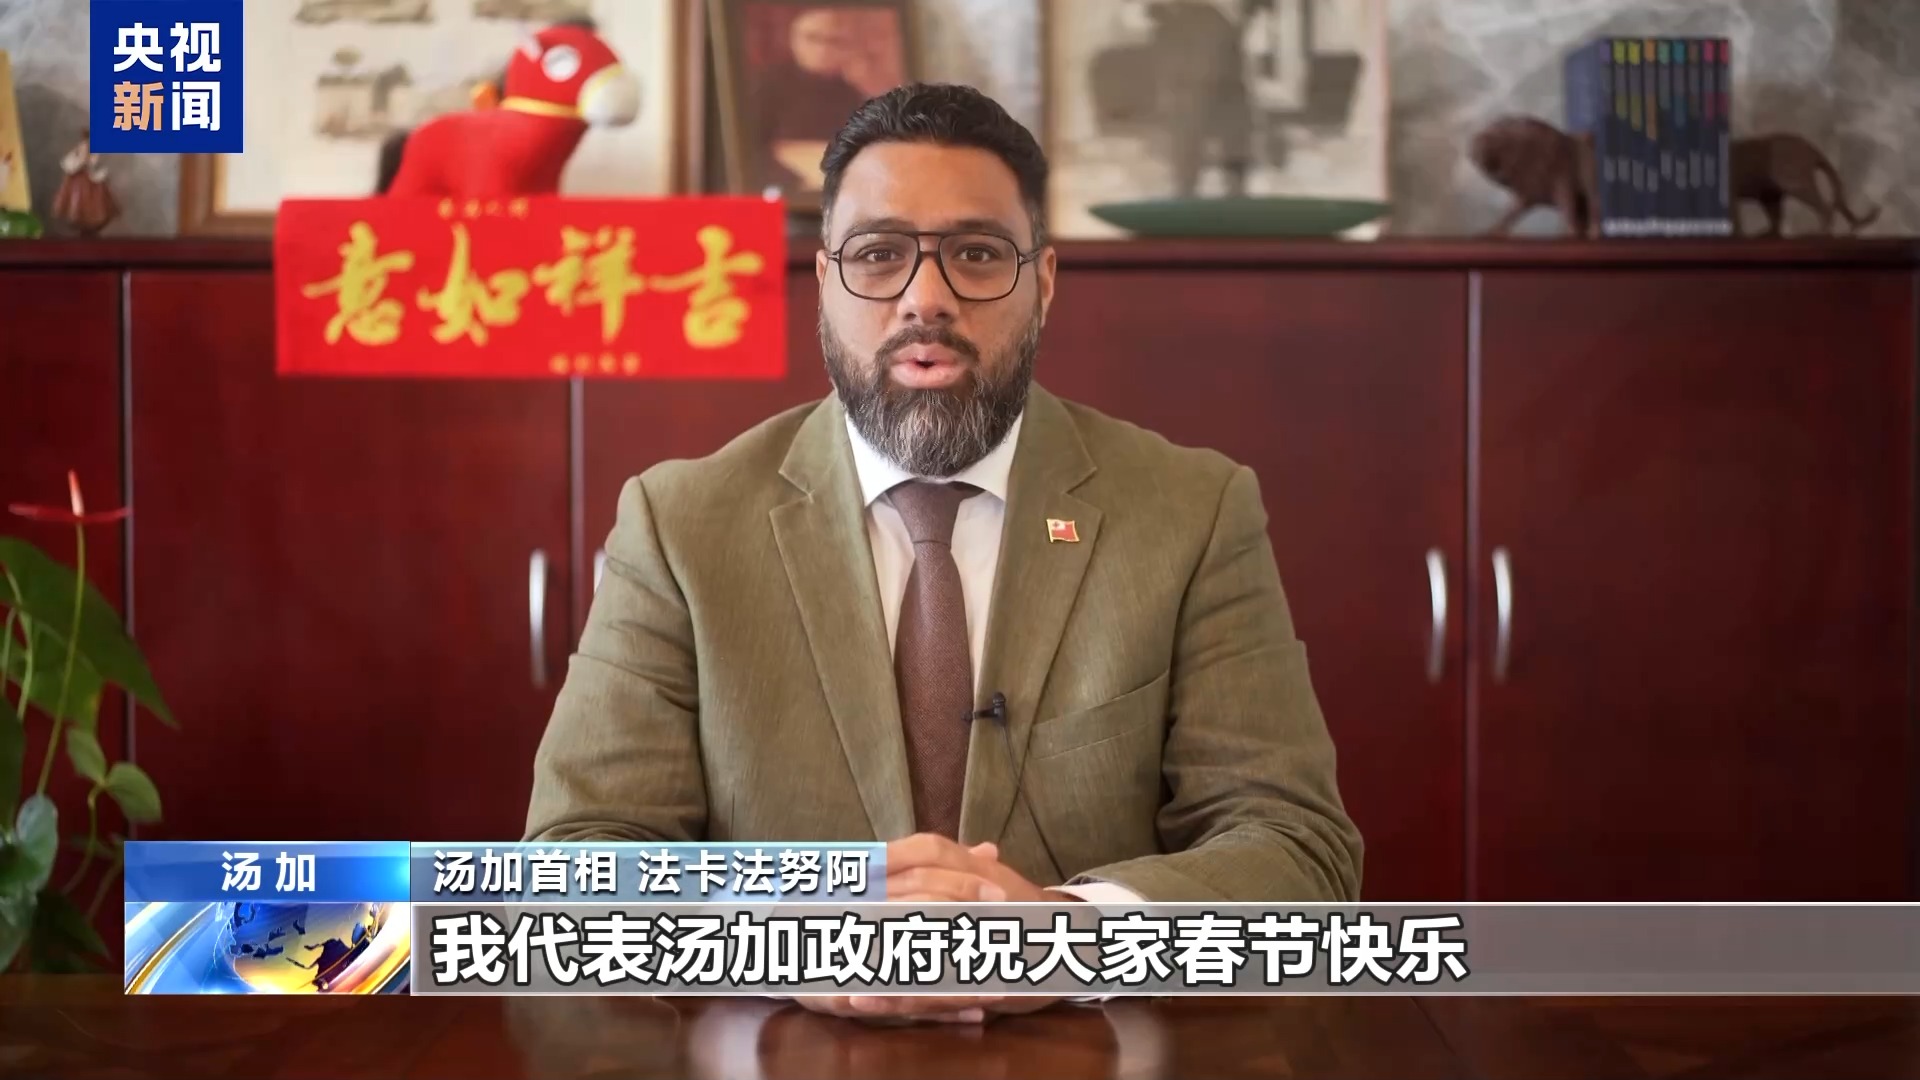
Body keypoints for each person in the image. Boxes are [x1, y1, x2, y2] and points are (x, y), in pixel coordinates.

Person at [524, 82, 1362, 1022]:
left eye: (977, 254)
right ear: (825, 281)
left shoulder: (1192, 511)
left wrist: (1071, 933)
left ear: (1044, 283)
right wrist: (783, 936)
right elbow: (571, 862)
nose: (926, 299)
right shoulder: (680, 523)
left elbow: (1297, 848)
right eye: (879, 254)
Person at [750, 8, 870, 193]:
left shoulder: (853, 96)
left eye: (835, 41)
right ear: (793, 40)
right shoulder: (764, 86)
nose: (823, 48)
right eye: (813, 38)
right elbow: (747, 152)